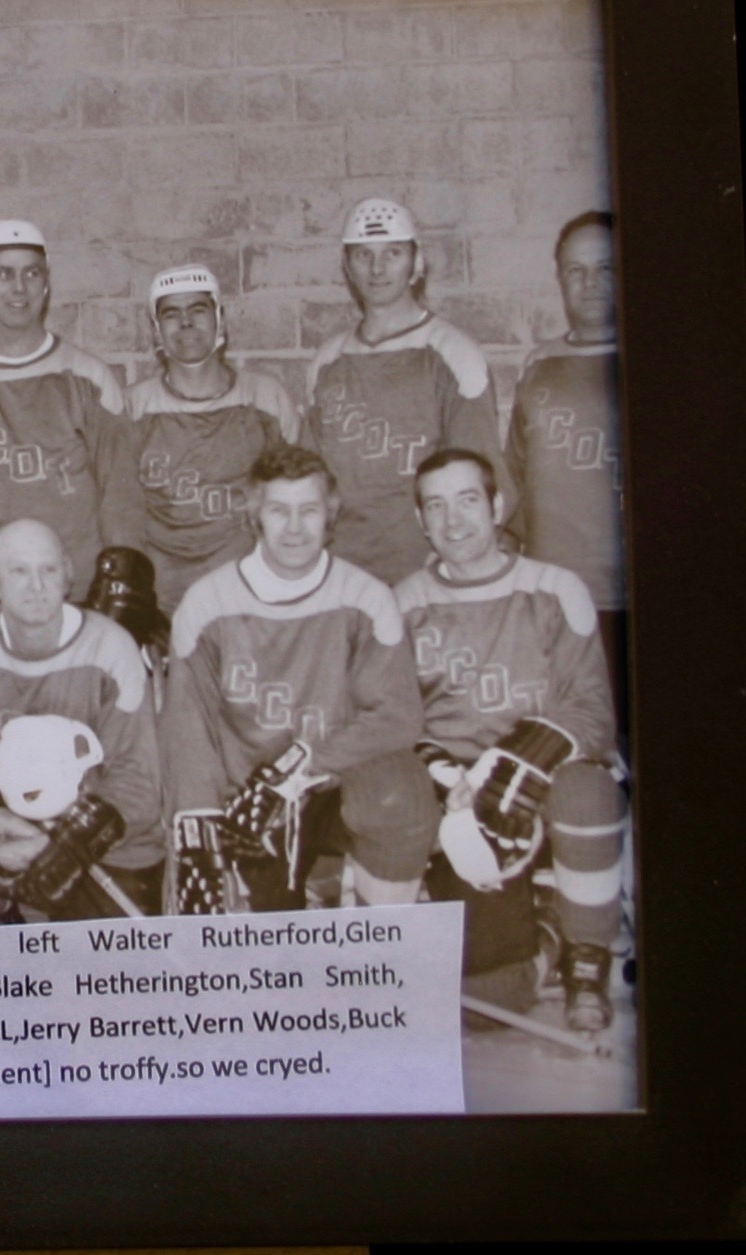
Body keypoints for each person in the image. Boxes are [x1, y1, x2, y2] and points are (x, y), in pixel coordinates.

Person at [395, 448, 628, 1032]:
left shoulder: (555, 588)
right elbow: (395, 722)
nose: (453, 521)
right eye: (436, 506)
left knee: (590, 792)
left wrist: (509, 767)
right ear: (421, 520)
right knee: (482, 1005)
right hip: (461, 802)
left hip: (543, 781)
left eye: (468, 500)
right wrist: (450, 779)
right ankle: (548, 935)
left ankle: (587, 959)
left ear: (497, 505)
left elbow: (593, 712)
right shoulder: (402, 603)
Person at [162, 445, 438, 912]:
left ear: (330, 514)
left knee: (401, 794)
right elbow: (188, 731)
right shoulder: (207, 603)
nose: (294, 527)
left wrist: (299, 768)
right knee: (261, 952)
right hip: (247, 800)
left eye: (308, 511)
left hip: (331, 780)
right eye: (279, 510)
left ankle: (379, 940)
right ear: (255, 515)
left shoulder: (365, 596)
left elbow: (397, 716)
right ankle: (315, 887)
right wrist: (198, 826)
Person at [0, 519, 166, 925]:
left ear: (68, 577)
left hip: (87, 820)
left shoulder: (111, 649)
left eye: (49, 570)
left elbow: (138, 781)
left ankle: (42, 900)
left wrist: (57, 842)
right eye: (19, 571)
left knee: (101, 964)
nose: (36, 585)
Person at [0, 220, 148, 641]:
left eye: (31, 272)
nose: (18, 287)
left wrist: (120, 579)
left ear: (46, 284)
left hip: (65, 591)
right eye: (3, 274)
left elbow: (121, 496)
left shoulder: (89, 378)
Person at [305, 197, 511, 587]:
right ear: (347, 267)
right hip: (341, 575)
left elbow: (480, 477)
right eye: (363, 255)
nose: (377, 268)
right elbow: (310, 479)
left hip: (426, 572)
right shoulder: (327, 360)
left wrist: (451, 563)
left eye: (393, 253)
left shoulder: (453, 353)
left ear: (417, 265)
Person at [505, 211, 627, 722]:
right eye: (575, 271)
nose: (590, 283)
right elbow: (514, 472)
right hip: (553, 597)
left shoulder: (663, 359)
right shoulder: (539, 364)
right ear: (559, 279)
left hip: (629, 598)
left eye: (605, 268)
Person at [126, 264, 301, 612]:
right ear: (156, 329)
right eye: (172, 314)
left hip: (250, 596)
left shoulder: (266, 398)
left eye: (198, 310)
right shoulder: (132, 407)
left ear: (220, 319)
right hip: (162, 601)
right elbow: (122, 511)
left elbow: (297, 499)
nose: (186, 323)